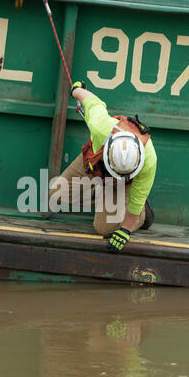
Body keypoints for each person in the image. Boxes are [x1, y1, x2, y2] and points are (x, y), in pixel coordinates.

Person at [45, 81, 157, 253]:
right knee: (56, 194)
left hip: (122, 185)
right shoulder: (101, 127)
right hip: (94, 166)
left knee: (103, 229)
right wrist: (77, 89)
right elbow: (93, 102)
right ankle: (105, 202)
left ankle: (142, 214)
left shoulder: (149, 160)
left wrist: (125, 230)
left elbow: (136, 199)